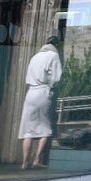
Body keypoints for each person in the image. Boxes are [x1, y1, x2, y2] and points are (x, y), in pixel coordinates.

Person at [19, 35, 63, 170]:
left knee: (28, 130)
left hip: (30, 92)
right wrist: (52, 88)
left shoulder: (35, 57)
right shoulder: (53, 56)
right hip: (43, 91)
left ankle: (24, 162)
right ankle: (36, 160)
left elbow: (27, 77)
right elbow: (56, 77)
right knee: (44, 127)